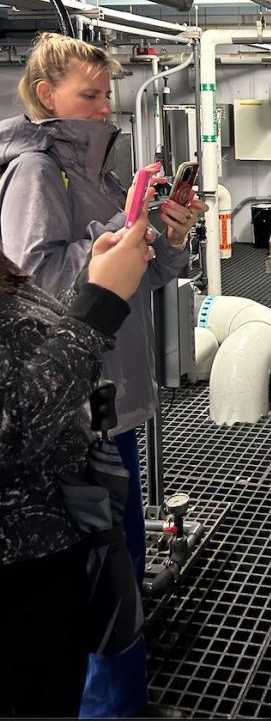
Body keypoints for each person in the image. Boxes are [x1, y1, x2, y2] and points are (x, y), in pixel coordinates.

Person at [0, 32, 208, 719]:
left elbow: (142, 275)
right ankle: (110, 710)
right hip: (75, 404)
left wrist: (169, 233)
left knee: (121, 561)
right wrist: (118, 231)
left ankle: (124, 703)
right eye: (88, 95)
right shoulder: (35, 174)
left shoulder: (102, 171)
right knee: (106, 567)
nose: (103, 107)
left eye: (106, 94)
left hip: (110, 389)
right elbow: (37, 285)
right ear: (44, 94)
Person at [0, 206, 155, 719]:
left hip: (55, 541)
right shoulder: (34, 173)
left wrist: (92, 284)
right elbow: (12, 423)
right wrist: (97, 305)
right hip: (20, 567)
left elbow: (33, 336)